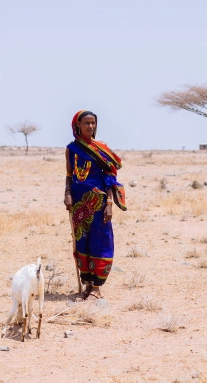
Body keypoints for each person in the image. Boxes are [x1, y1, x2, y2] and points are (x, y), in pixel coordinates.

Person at [64, 110, 126, 300]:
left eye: (93, 123)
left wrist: (109, 204)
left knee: (101, 241)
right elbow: (69, 175)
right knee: (82, 242)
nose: (90, 126)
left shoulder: (101, 149)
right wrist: (67, 193)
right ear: (78, 125)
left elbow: (109, 179)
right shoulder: (71, 149)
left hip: (99, 204)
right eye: (86, 123)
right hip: (78, 204)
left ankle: (97, 288)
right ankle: (87, 285)